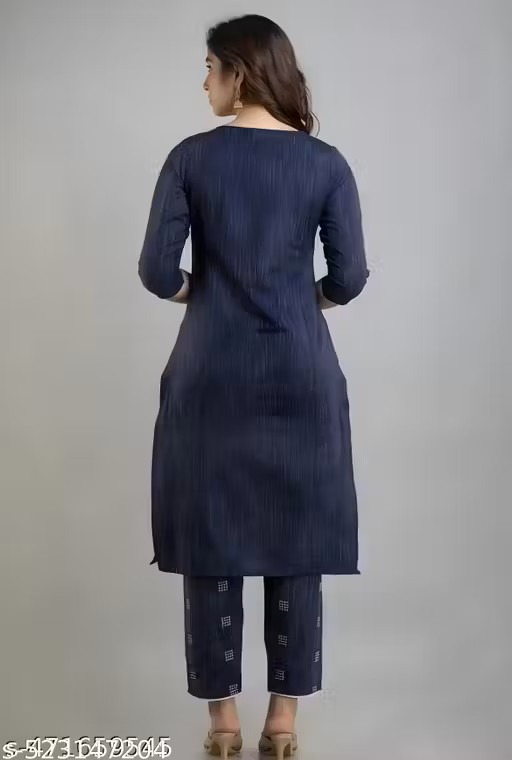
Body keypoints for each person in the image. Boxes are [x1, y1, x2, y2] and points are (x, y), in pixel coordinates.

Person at [138, 13, 369, 760]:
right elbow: (350, 278)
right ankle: (284, 726)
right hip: (300, 374)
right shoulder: (325, 164)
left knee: (213, 542)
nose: (203, 81)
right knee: (297, 543)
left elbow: (156, 271)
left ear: (239, 73)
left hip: (211, 374)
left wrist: (201, 292)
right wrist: (303, 301)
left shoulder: (191, 158)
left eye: (210, 67)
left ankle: (223, 726)